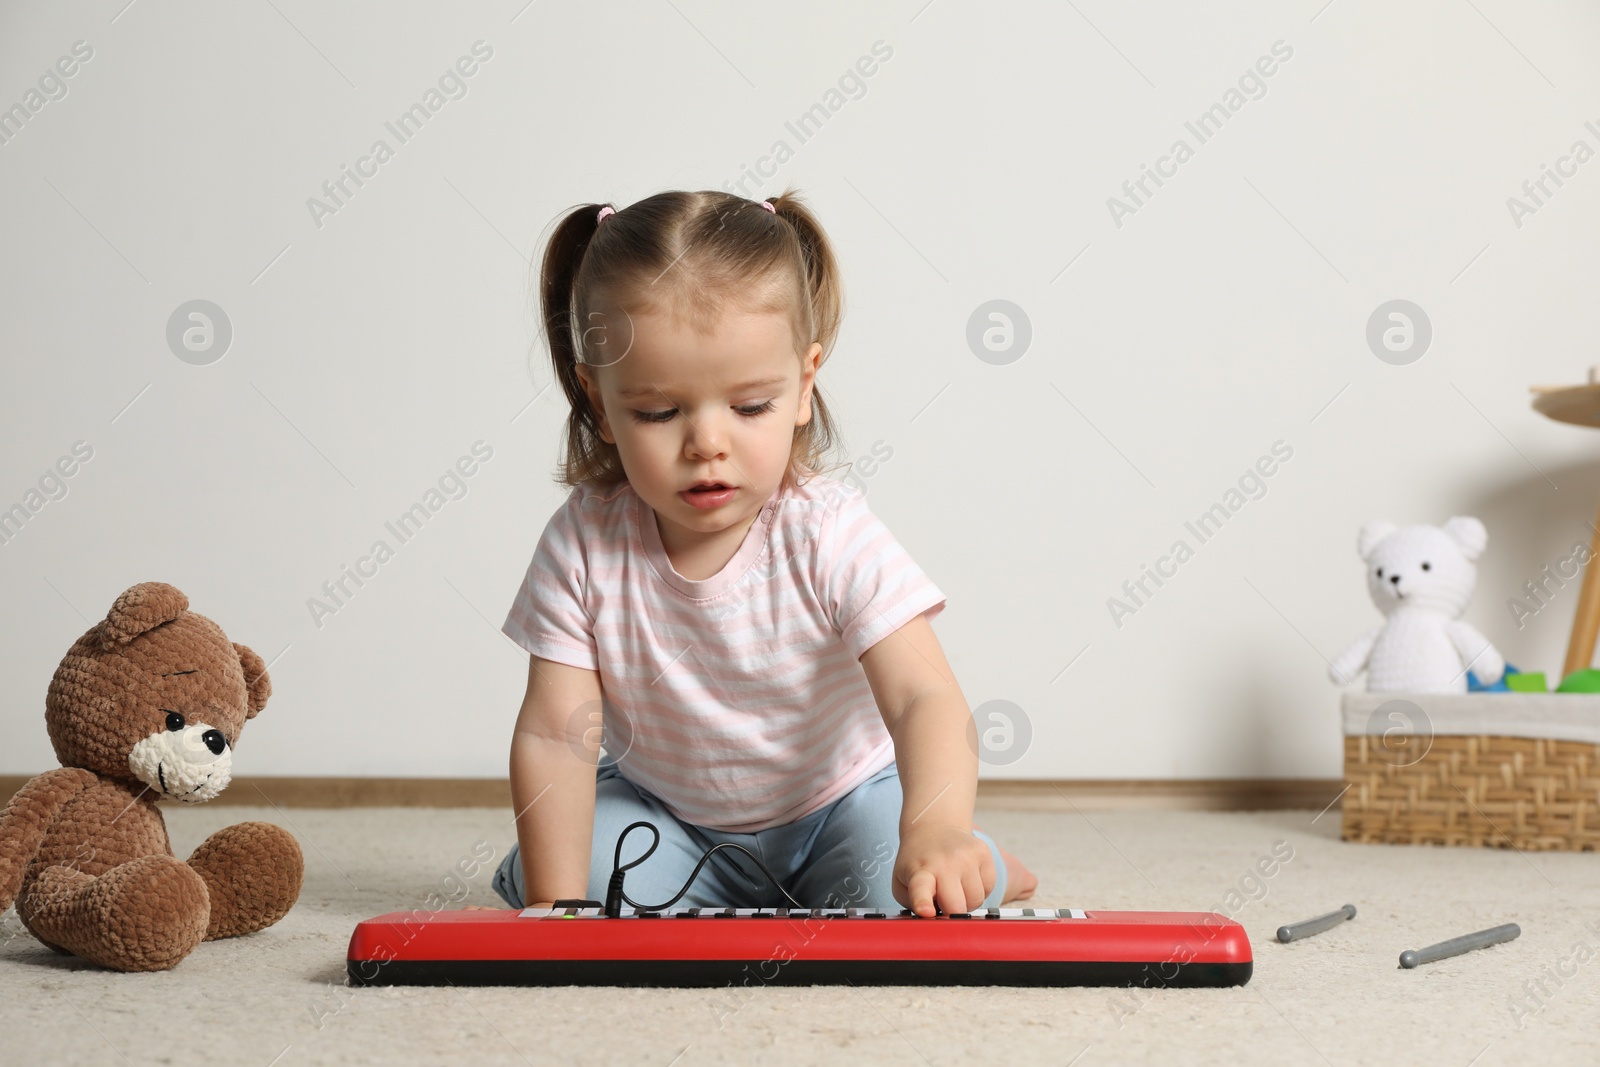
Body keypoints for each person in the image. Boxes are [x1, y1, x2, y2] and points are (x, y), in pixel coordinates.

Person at [486, 188, 1036, 917]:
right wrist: (558, 910)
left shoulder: (827, 532)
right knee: (576, 873)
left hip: (842, 807)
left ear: (804, 385)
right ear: (600, 403)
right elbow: (557, 732)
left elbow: (923, 697)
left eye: (750, 407)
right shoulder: (582, 542)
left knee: (904, 892)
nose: (707, 442)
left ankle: (978, 857)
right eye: (657, 411)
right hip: (674, 819)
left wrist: (933, 824)